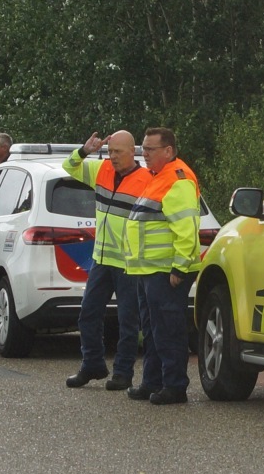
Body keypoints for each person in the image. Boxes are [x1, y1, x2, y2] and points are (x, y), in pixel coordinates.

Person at [120, 126, 201, 405]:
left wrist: (179, 268)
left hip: (167, 272)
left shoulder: (177, 179)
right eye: (143, 148)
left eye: (150, 149)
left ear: (168, 151)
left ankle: (175, 386)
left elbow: (186, 229)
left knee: (167, 329)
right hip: (150, 270)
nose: (144, 154)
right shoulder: (158, 177)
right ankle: (153, 382)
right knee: (153, 329)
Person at [62, 129, 147, 391]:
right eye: (110, 152)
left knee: (128, 320)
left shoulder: (146, 179)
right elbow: (69, 166)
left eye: (118, 152)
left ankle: (123, 373)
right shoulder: (102, 170)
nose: (113, 157)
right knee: (88, 314)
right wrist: (86, 150)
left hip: (128, 262)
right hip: (101, 258)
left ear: (133, 152)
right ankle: (93, 364)